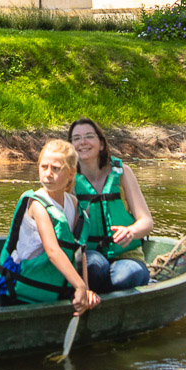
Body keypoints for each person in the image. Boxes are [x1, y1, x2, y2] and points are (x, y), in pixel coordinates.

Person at [0, 139, 100, 314]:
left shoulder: (73, 204)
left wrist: (85, 289)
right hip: (18, 297)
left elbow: (79, 251)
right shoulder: (37, 205)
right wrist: (78, 285)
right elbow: (52, 251)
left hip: (50, 294)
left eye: (55, 168)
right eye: (44, 167)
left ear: (71, 173)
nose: (48, 173)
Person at [67, 118, 154, 292]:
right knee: (93, 268)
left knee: (126, 276)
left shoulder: (122, 173)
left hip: (126, 256)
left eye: (89, 136)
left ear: (101, 144)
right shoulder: (68, 179)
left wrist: (131, 231)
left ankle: (96, 292)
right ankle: (90, 291)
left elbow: (146, 222)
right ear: (71, 147)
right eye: (76, 138)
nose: (82, 142)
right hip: (88, 253)